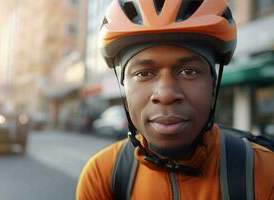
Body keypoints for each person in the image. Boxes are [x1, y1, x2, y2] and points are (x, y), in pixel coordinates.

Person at [76, 0, 274, 199]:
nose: (166, 94)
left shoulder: (265, 172)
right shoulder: (102, 177)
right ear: (124, 88)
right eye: (143, 73)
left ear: (213, 85)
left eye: (189, 71)